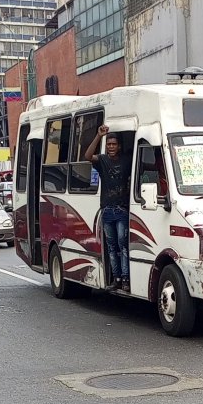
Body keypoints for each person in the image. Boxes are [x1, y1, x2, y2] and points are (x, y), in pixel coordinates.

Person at [85, 125, 132, 292]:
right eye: (109, 144)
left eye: (114, 144)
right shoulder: (103, 160)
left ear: (119, 146)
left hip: (122, 210)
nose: (111, 147)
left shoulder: (127, 160)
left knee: (122, 244)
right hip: (107, 211)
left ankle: (126, 278)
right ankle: (117, 278)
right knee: (111, 246)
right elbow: (88, 156)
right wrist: (98, 136)